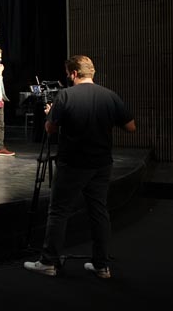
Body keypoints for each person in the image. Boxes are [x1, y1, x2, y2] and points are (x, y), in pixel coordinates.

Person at [24, 55, 136, 279]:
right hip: (102, 164)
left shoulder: (65, 96)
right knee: (99, 212)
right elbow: (131, 127)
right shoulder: (110, 96)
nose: (67, 77)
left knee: (58, 212)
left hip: (73, 164)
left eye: (68, 74)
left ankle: (49, 262)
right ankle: (102, 265)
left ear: (74, 73)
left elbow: (50, 129)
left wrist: (50, 114)